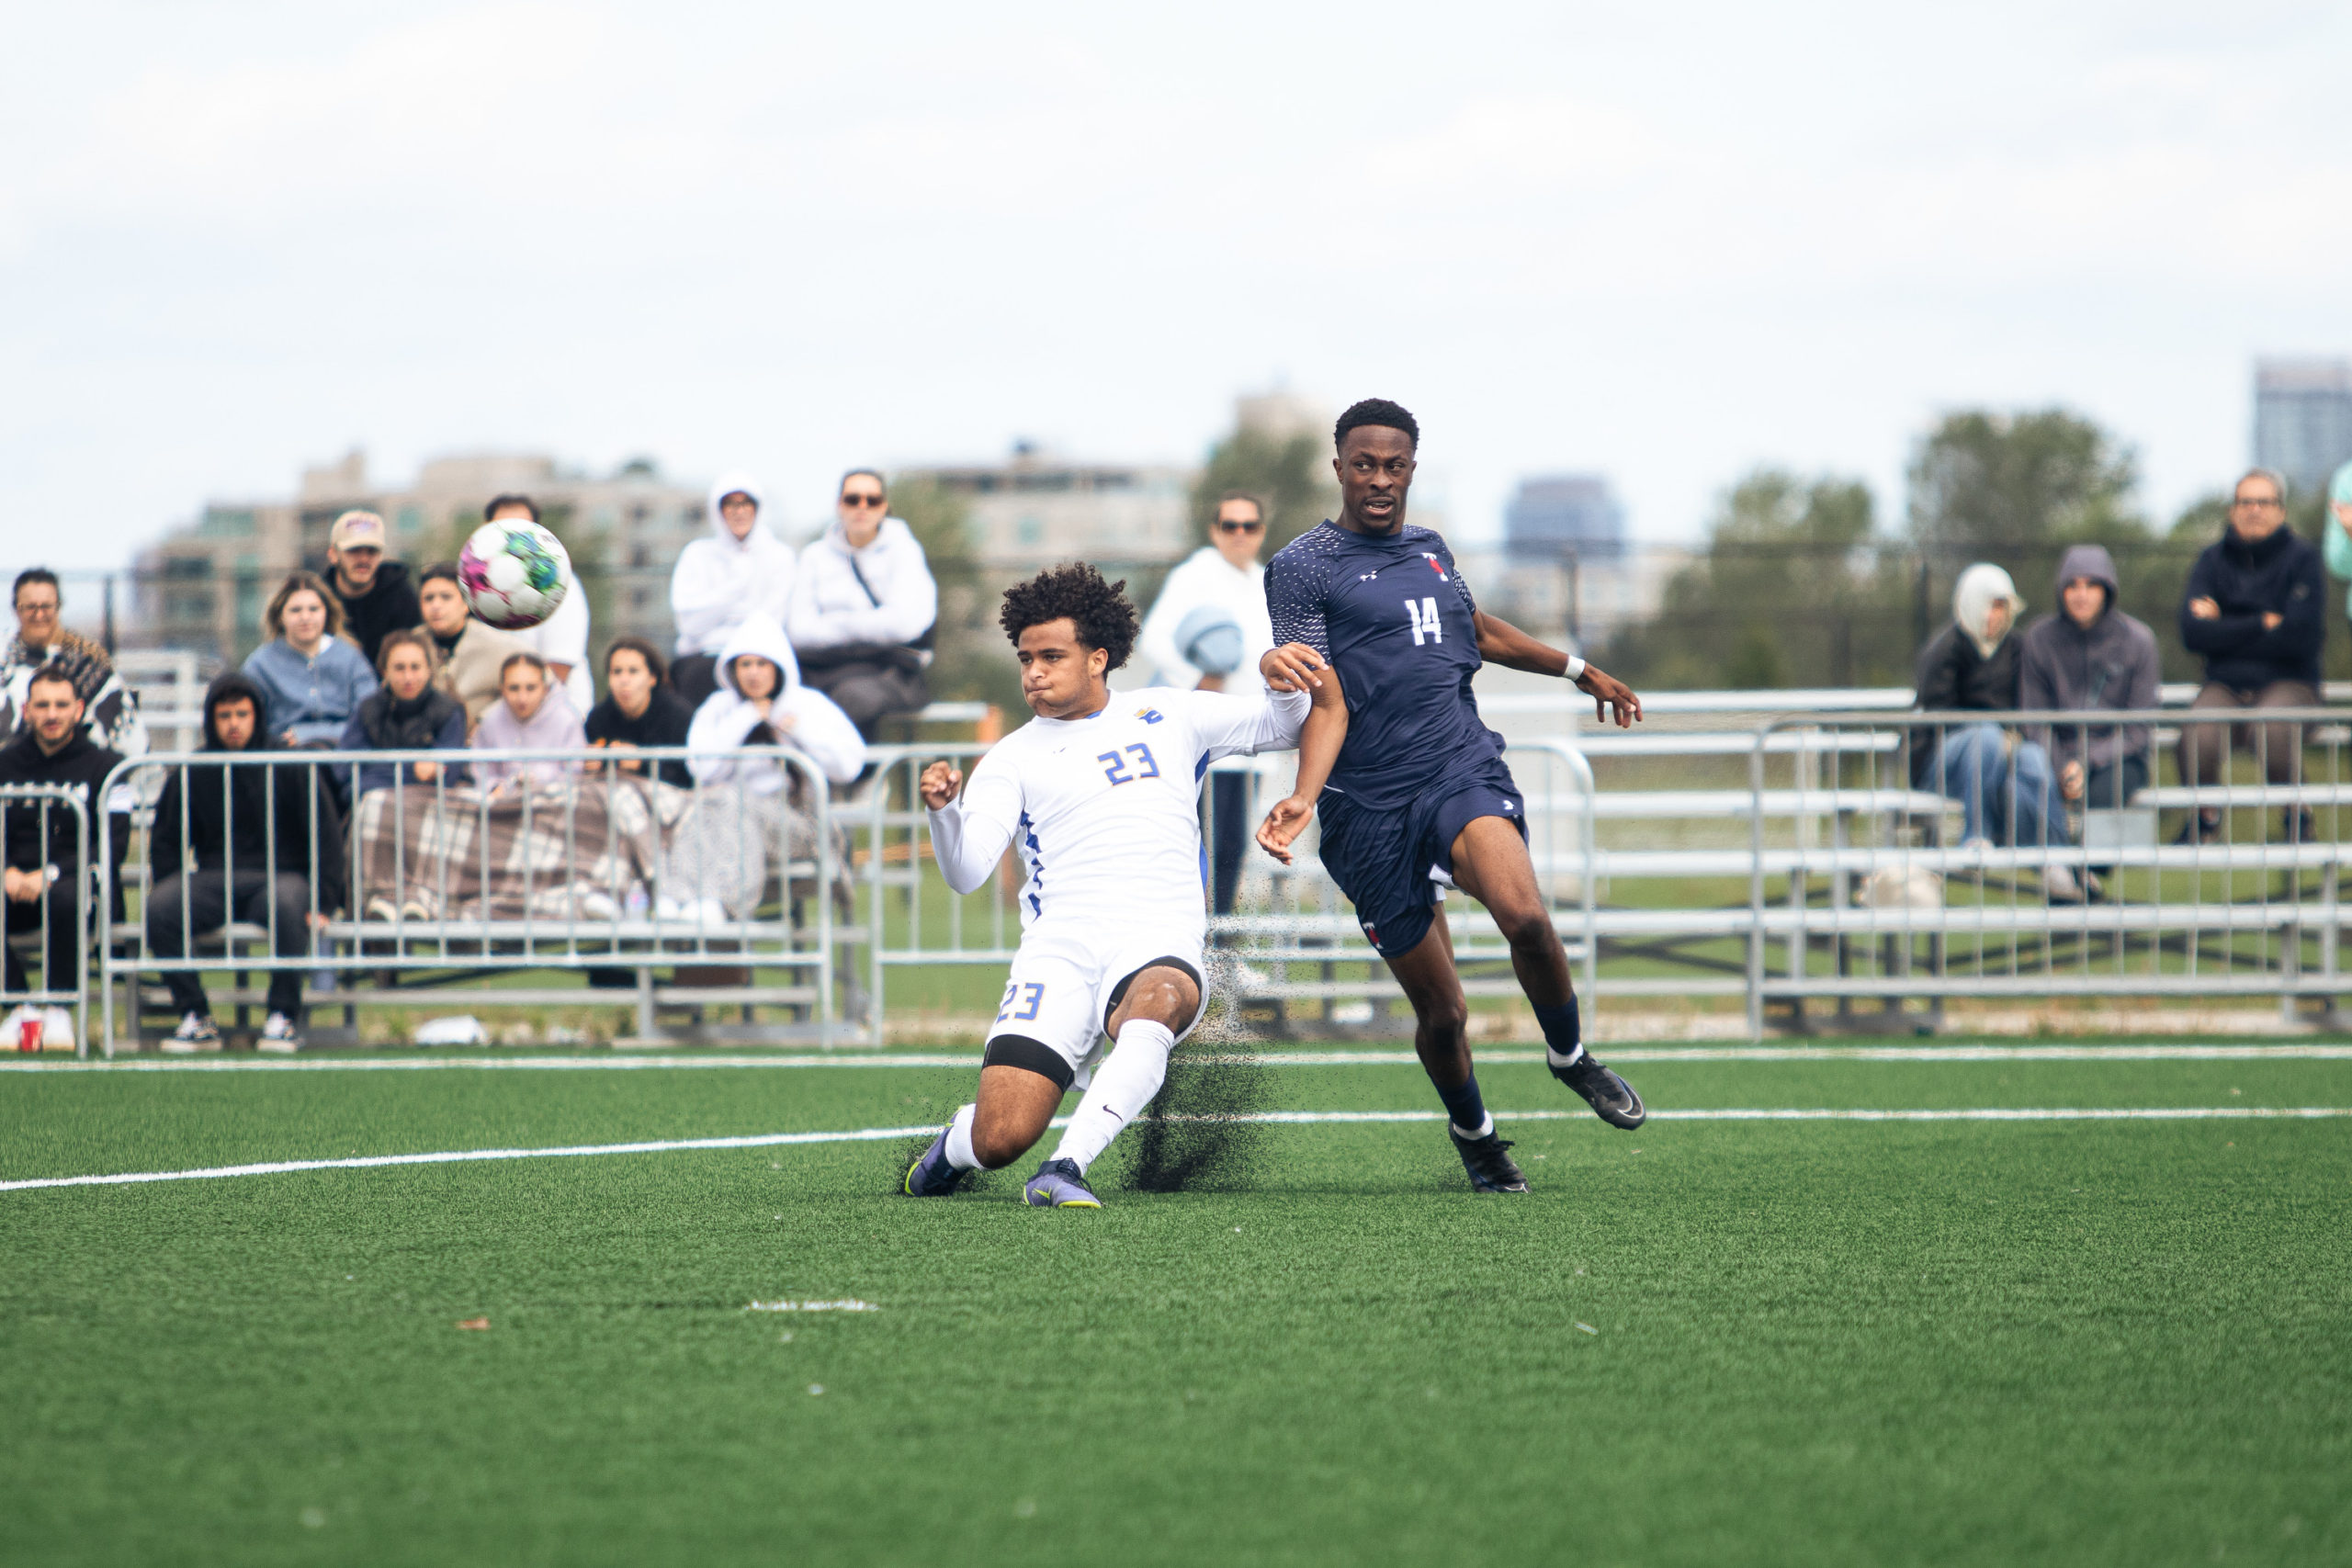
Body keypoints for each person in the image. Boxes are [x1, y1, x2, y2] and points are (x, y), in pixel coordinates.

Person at [1250, 400, 1646, 1194]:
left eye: (1394, 466)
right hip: (1366, 807)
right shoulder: (1302, 567)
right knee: (1445, 1013)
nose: (1379, 479)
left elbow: (1476, 628)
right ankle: (1476, 1134)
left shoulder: (1431, 551)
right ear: (1339, 468)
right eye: (1364, 464)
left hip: (1456, 768)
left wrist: (1577, 668)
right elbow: (1321, 696)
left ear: (1411, 470)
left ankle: (1569, 1054)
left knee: (1525, 914)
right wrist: (1302, 785)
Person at [901, 563, 1332, 1208]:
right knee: (1000, 1137)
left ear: (1098, 657)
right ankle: (955, 1146)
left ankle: (1066, 1167)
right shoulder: (1010, 758)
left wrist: (1282, 681)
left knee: (1160, 997)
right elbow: (966, 874)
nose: (1034, 673)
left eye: (1052, 655)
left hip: (1157, 936)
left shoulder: (1168, 712)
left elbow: (1285, 726)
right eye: (1025, 658)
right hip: (1061, 952)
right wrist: (943, 813)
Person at [147, 672, 345, 1053]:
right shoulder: (195, 768)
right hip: (213, 880)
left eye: (242, 713)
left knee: (289, 904)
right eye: (224, 715)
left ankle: (282, 1017)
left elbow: (325, 835)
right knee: (161, 907)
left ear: (257, 715)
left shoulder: (288, 763)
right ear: (211, 720)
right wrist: (169, 883)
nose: (234, 724)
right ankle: (195, 1016)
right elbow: (166, 840)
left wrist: (324, 900)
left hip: (280, 879)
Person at [1138, 490, 1281, 916]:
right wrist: (1197, 681)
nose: (1239, 534)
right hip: (1204, 739)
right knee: (1198, 846)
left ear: (1261, 532)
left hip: (1251, 739)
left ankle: (1219, 951)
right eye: (1230, 525)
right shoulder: (1195, 574)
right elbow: (1154, 639)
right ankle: (1188, 951)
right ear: (1214, 531)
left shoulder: (1266, 580)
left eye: (1249, 526)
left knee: (1234, 849)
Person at [2177, 467, 2325, 842]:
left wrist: (2224, 623)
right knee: (2198, 732)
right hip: (2224, 684)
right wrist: (2262, 622)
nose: (2254, 510)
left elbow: (2302, 638)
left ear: (2281, 511)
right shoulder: (2211, 560)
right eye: (2246, 502)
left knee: (2273, 727)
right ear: (2232, 510)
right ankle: (2205, 819)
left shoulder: (2303, 559)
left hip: (2291, 683)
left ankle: (2297, 816)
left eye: (2264, 502)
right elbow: (2193, 634)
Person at [2018, 545, 2162, 901]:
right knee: (2026, 779)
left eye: (2091, 585)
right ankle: (2067, 878)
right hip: (2054, 756)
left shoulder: (2138, 640)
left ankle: (2077, 878)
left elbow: (2139, 728)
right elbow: (2034, 718)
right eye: (2072, 585)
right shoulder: (2039, 639)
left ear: (2107, 590)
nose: (2081, 595)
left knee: (2106, 793)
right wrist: (2063, 765)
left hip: (2117, 758)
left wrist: (2086, 761)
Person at [1910, 562, 2065, 851]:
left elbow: (2027, 703)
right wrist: (1996, 735)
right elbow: (1937, 718)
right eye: (1985, 605)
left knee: (2033, 760)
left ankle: (2060, 862)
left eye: (1999, 607)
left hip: (2005, 752)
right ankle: (1976, 836)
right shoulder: (1943, 650)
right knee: (1985, 737)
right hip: (1944, 761)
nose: (1990, 616)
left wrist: (2011, 737)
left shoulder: (2017, 648)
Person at [0, 667, 126, 1004]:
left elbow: (115, 844)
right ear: (26, 710)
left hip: (76, 885)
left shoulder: (111, 767)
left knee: (68, 896)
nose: (52, 714)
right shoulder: (4, 764)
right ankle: (18, 1007)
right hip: (13, 886)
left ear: (79, 709)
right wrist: (7, 870)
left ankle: (59, 1007)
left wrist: (52, 874)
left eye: (61, 704)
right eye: (42, 706)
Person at [787, 469, 938, 739]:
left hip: (888, 672)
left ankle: (855, 778)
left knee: (854, 699)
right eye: (853, 499)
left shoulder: (904, 551)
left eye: (873, 500)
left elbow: (906, 624)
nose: (862, 507)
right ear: (839, 505)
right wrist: (873, 623)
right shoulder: (814, 556)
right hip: (822, 670)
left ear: (884, 507)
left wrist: (834, 623)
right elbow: (798, 629)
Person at [685, 613, 865, 792]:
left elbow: (847, 768)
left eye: (762, 664)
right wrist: (747, 716)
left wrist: (799, 729)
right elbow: (702, 770)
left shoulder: (808, 703)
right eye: (746, 664)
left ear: (778, 667)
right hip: (733, 813)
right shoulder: (719, 706)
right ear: (734, 669)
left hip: (798, 812)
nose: (753, 673)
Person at [670, 472, 795, 708]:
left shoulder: (780, 557)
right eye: (730, 504)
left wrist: (716, 616)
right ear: (718, 509)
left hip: (762, 656)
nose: (739, 511)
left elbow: (771, 622)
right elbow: (689, 625)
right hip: (704, 659)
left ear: (758, 508)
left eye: (746, 503)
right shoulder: (697, 554)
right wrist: (737, 592)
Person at [0, 568, 147, 755]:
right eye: (30, 607)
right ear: (16, 609)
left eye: (46, 606)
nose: (38, 615)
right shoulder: (4, 655)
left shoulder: (88, 662)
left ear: (58, 607)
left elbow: (131, 743)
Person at [481, 494, 594, 719]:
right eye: (503, 529)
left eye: (522, 529)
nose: (513, 539)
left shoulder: (561, 583)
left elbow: (558, 670)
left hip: (557, 716)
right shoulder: (475, 583)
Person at [243, 571, 378, 748]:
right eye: (295, 610)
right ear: (280, 616)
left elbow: (370, 717)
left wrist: (310, 735)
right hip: (283, 760)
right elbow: (248, 720)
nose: (305, 617)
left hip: (344, 757)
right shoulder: (260, 664)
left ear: (326, 613)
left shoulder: (351, 658)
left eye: (314, 609)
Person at [338, 630, 467, 799]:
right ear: (384, 671)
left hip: (429, 805)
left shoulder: (449, 710)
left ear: (429, 670)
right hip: (372, 801)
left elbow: (447, 775)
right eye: (399, 668)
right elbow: (343, 769)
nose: (408, 677)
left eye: (415, 667)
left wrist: (377, 770)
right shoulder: (367, 708)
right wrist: (413, 769)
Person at [413, 561, 529, 733]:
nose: (436, 605)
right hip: (424, 748)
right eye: (428, 598)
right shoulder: (411, 644)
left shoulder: (496, 644)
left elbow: (541, 681)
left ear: (466, 603)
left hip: (480, 749)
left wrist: (487, 720)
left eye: (446, 597)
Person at [585, 637, 695, 787]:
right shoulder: (598, 718)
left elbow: (688, 776)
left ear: (652, 678)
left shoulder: (678, 715)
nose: (624, 680)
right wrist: (591, 764)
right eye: (617, 672)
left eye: (633, 671)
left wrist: (641, 764)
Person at [470, 652, 585, 794]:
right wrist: (497, 787)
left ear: (545, 688)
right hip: (503, 808)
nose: (522, 698)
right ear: (502, 688)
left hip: (554, 806)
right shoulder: (490, 720)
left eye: (531, 688)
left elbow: (574, 772)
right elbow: (482, 773)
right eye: (514, 688)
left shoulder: (567, 719)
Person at [321, 510, 422, 669]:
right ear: (333, 554)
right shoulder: (318, 599)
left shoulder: (401, 597)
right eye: (354, 550)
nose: (364, 559)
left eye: (372, 551)